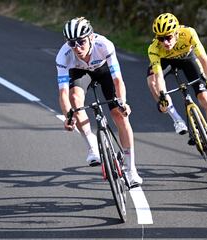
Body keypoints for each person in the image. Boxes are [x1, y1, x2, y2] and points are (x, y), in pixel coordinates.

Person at [56, 17, 142, 185]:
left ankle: (131, 170)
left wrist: (122, 102)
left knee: (119, 115)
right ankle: (92, 146)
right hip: (80, 73)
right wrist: (68, 116)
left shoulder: (104, 45)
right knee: (75, 99)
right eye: (72, 43)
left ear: (91, 37)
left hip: (104, 72)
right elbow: (63, 93)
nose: (77, 48)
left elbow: (118, 81)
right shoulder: (63, 56)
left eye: (81, 42)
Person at [146, 13, 207, 161]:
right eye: (161, 38)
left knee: (205, 100)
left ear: (176, 33)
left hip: (187, 59)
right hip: (165, 61)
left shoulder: (188, 33)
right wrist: (162, 96)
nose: (165, 42)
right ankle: (176, 119)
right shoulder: (154, 48)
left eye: (168, 37)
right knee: (152, 82)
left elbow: (204, 60)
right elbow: (159, 76)